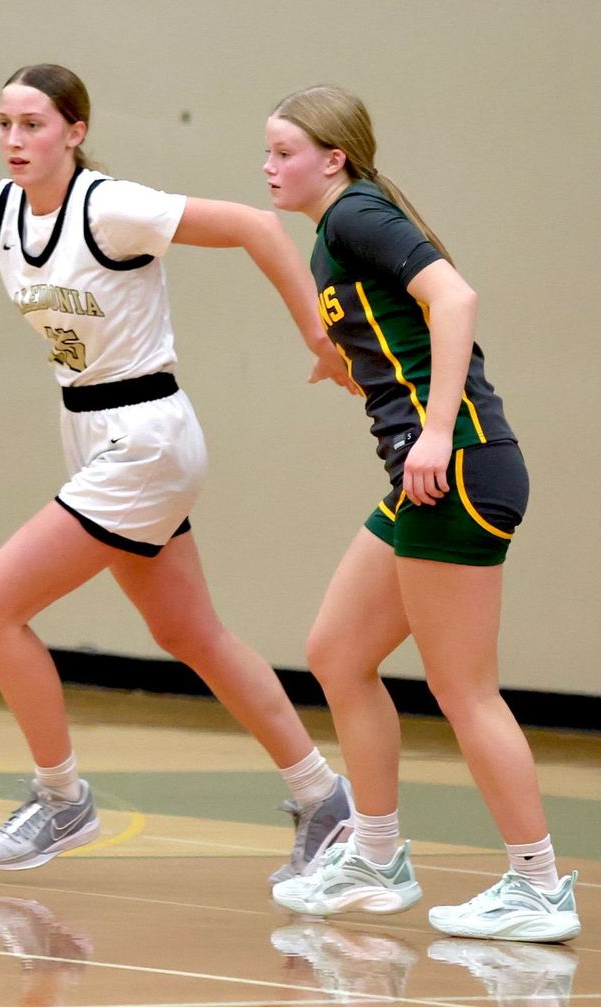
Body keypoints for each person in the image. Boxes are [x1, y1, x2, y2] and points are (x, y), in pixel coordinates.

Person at [0, 64, 358, 881]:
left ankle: (61, 796)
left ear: (74, 131)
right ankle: (323, 797)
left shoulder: (110, 205)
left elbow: (261, 226)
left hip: (146, 434)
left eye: (33, 124)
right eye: (4, 123)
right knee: (192, 634)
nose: (14, 140)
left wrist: (319, 338)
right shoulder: (1, 211)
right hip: (91, 432)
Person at [263, 85, 580, 943]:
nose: (268, 165)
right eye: (266, 150)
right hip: (427, 475)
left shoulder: (358, 215)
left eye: (284, 150)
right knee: (336, 651)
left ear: (333, 158)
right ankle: (375, 856)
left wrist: (436, 430)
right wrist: (347, 369)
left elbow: (456, 300)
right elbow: (398, 335)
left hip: (458, 467)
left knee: (463, 688)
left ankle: (538, 885)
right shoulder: (337, 237)